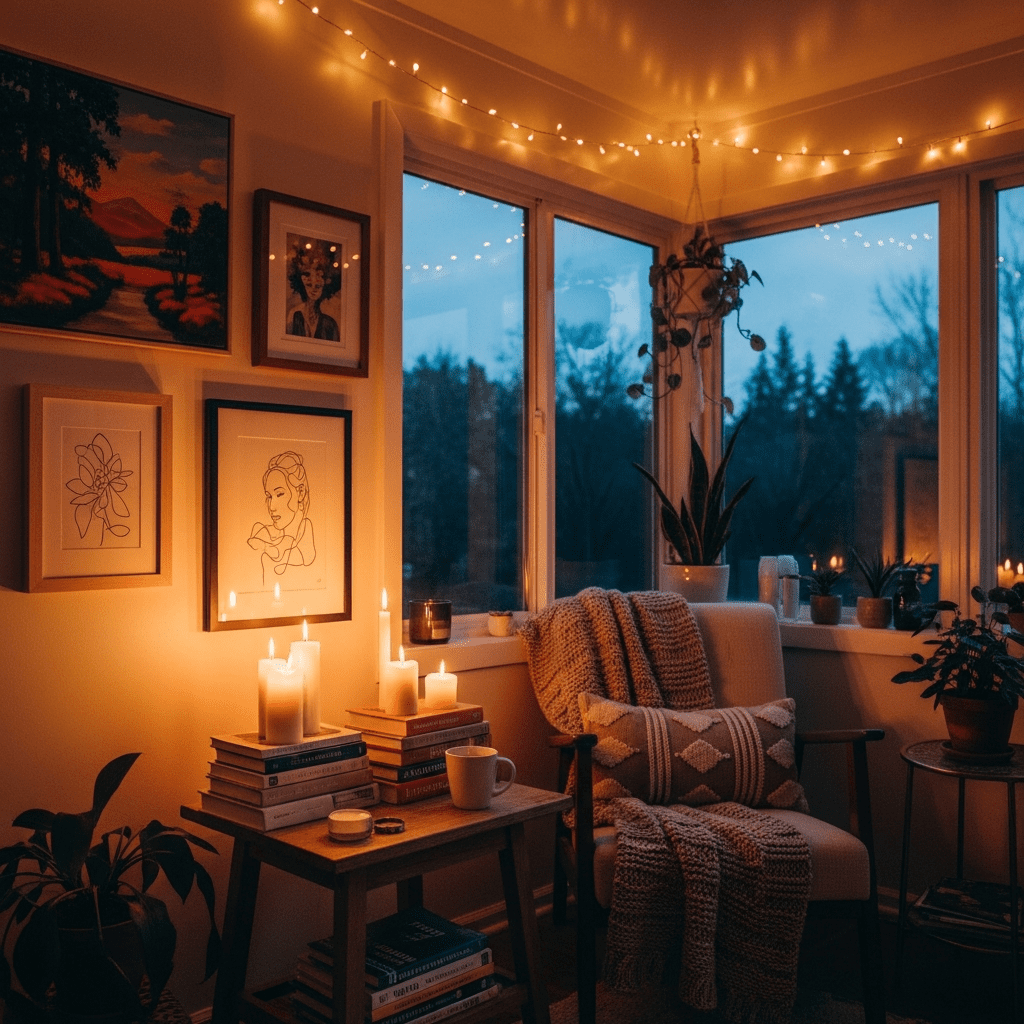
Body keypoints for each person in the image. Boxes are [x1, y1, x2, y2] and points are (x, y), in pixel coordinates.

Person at [247, 451, 316, 582]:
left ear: (300, 492)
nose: (271, 507)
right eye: (269, 496)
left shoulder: (305, 528)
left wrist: (270, 549)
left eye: (279, 494)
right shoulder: (265, 532)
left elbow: (306, 557)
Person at [286, 239, 341, 340]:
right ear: (302, 284)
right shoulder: (294, 315)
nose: (313, 290)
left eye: (318, 286)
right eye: (309, 285)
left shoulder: (330, 324)